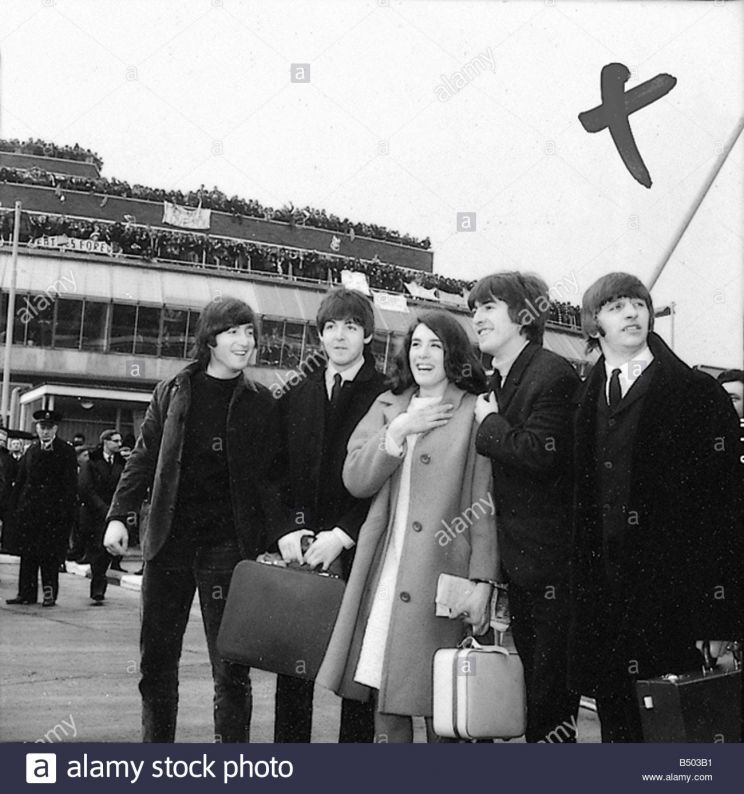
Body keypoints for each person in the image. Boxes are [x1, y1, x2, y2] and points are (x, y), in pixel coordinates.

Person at [104, 297, 286, 742]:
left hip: (228, 549)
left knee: (231, 670)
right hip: (169, 543)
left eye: (249, 333)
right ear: (209, 338)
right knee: (157, 662)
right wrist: (119, 517)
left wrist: (277, 537)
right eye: (232, 332)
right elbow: (142, 460)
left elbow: (272, 479)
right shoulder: (172, 391)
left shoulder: (261, 401)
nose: (244, 342)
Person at [570, 272, 743, 742]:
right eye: (615, 305)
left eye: (638, 304)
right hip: (604, 602)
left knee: (674, 738)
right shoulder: (584, 396)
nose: (631, 313)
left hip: (672, 605)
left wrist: (718, 616)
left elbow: (724, 511)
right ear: (593, 324)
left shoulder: (696, 394)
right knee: (618, 730)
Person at [317, 311, 499, 743]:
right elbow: (355, 480)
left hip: (444, 578)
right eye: (416, 344)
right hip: (386, 577)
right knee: (389, 705)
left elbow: (485, 503)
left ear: (454, 353)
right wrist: (398, 431)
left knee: (448, 715)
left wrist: (482, 580)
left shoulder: (475, 410)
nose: (423, 354)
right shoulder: (388, 406)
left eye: (435, 345)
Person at [269, 288, 387, 743]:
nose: (340, 336)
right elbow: (272, 471)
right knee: (293, 667)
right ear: (320, 334)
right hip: (300, 548)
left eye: (352, 327)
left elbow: (385, 479)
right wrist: (287, 529)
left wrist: (343, 533)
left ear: (368, 335)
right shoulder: (295, 391)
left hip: (357, 546)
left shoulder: (386, 395)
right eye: (331, 327)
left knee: (356, 672)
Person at [468, 271, 580, 743]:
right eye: (475, 308)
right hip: (523, 567)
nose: (477, 317)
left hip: (552, 568)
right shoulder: (504, 376)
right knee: (536, 696)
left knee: (551, 704)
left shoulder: (551, 373)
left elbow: (542, 453)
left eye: (489, 307)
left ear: (525, 316)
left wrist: (489, 423)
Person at [5, 410, 78, 607]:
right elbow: (21, 482)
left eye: (49, 428)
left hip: (53, 515)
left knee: (49, 556)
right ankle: (25, 593)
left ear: (55, 429)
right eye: (41, 427)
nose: (45, 431)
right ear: (36, 428)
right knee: (27, 555)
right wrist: (15, 508)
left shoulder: (65, 451)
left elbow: (70, 486)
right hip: (30, 513)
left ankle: (49, 593)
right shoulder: (31, 451)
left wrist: (65, 513)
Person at [78, 429, 125, 604]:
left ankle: (99, 586)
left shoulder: (122, 463)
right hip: (93, 515)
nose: (119, 444)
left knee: (105, 554)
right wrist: (104, 509)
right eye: (115, 441)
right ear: (105, 442)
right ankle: (97, 587)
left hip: (112, 515)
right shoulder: (91, 461)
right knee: (96, 551)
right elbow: (85, 489)